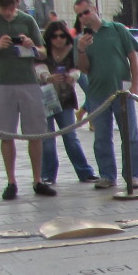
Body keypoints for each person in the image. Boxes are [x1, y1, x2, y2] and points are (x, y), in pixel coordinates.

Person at [0, 0, 55, 200]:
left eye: (12, 8)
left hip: (28, 82)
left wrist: (32, 46)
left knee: (36, 133)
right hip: (2, 83)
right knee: (6, 134)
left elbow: (43, 52)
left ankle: (38, 179)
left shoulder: (26, 20)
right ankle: (11, 181)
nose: (10, 12)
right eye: (5, 9)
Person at [73, 0, 138, 190]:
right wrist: (82, 49)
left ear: (94, 8)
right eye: (79, 15)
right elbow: (84, 68)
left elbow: (133, 58)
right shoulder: (81, 40)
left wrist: (135, 86)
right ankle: (107, 175)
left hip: (122, 91)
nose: (84, 17)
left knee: (130, 135)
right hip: (97, 93)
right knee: (101, 136)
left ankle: (132, 175)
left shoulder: (117, 29)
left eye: (86, 12)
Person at [37, 19, 98, 186]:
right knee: (47, 139)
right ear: (49, 37)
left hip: (65, 98)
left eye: (62, 36)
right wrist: (48, 77)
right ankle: (48, 175)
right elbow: (38, 68)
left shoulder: (72, 51)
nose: (59, 39)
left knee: (70, 136)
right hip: (46, 98)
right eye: (54, 36)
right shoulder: (44, 51)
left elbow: (78, 68)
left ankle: (85, 172)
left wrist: (74, 76)